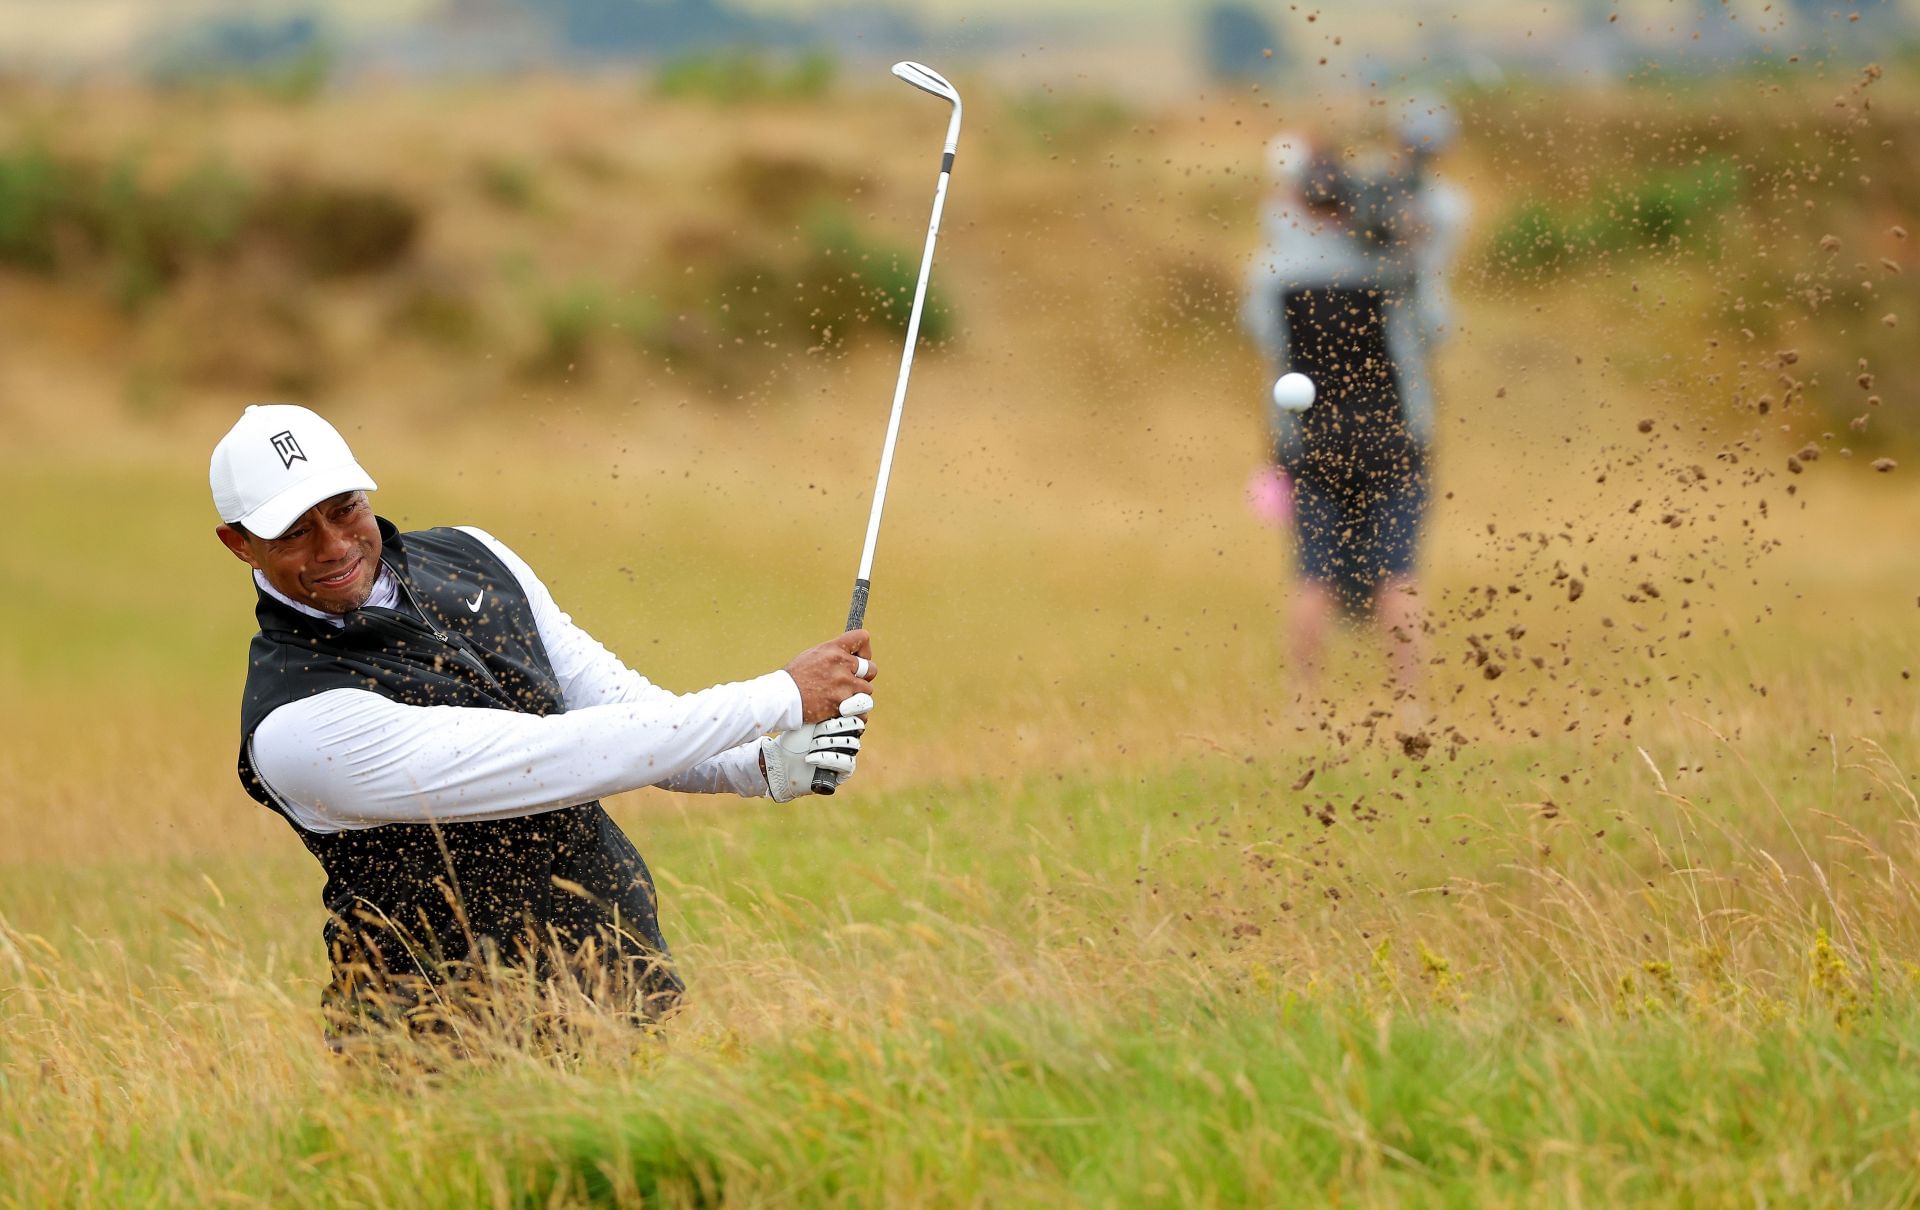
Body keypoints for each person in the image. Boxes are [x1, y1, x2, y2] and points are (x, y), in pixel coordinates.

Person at [210, 403, 876, 1039]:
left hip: (618, 982)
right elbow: (560, 757)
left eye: (345, 509)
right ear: (239, 544)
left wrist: (760, 765)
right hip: (436, 1045)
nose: (333, 545)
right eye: (295, 531)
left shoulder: (474, 557)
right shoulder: (296, 721)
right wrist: (781, 697)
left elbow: (620, 709)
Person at [1241, 106, 1467, 700]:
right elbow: (1437, 328)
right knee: (1399, 575)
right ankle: (1411, 704)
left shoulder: (1273, 270)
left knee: (1312, 576)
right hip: (1394, 435)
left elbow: (1263, 337)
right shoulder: (1388, 265)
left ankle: (1302, 702)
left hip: (1311, 442)